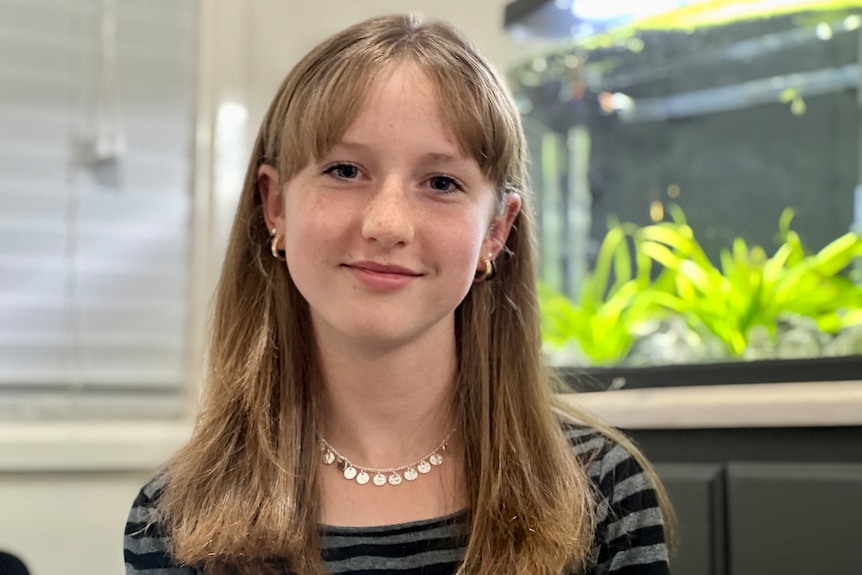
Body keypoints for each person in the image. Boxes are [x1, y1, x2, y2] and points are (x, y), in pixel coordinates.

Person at [125, 13, 675, 575]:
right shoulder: (175, 519)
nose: (388, 224)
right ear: (275, 207)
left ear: (496, 231)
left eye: (441, 183)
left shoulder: (603, 494)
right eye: (344, 170)